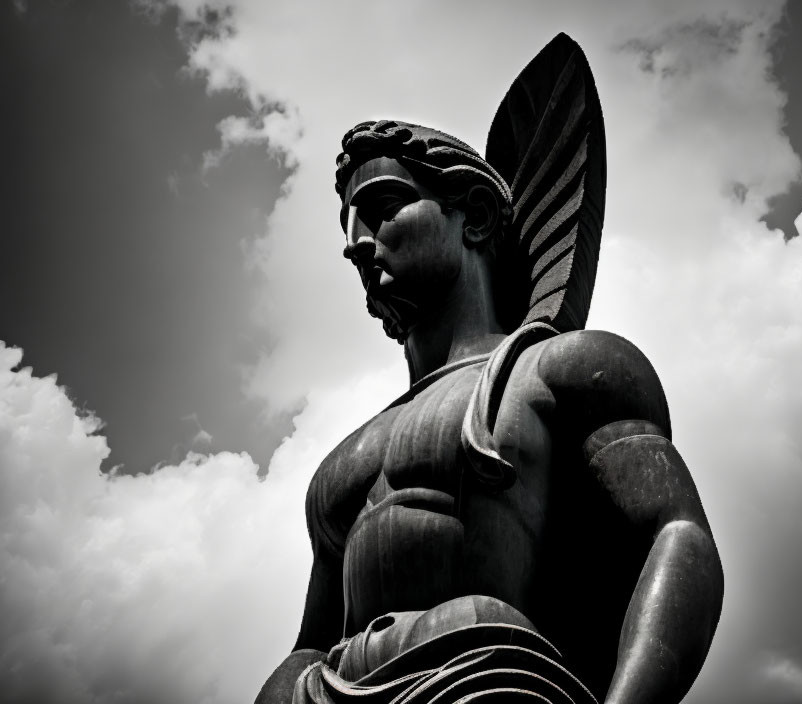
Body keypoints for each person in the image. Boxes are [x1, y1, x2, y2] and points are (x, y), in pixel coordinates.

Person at [255, 35, 723, 704]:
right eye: (352, 224)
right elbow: (315, 636)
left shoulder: (563, 371)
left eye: (385, 208)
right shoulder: (341, 463)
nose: (358, 243)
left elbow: (673, 536)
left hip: (486, 680)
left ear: (472, 216)